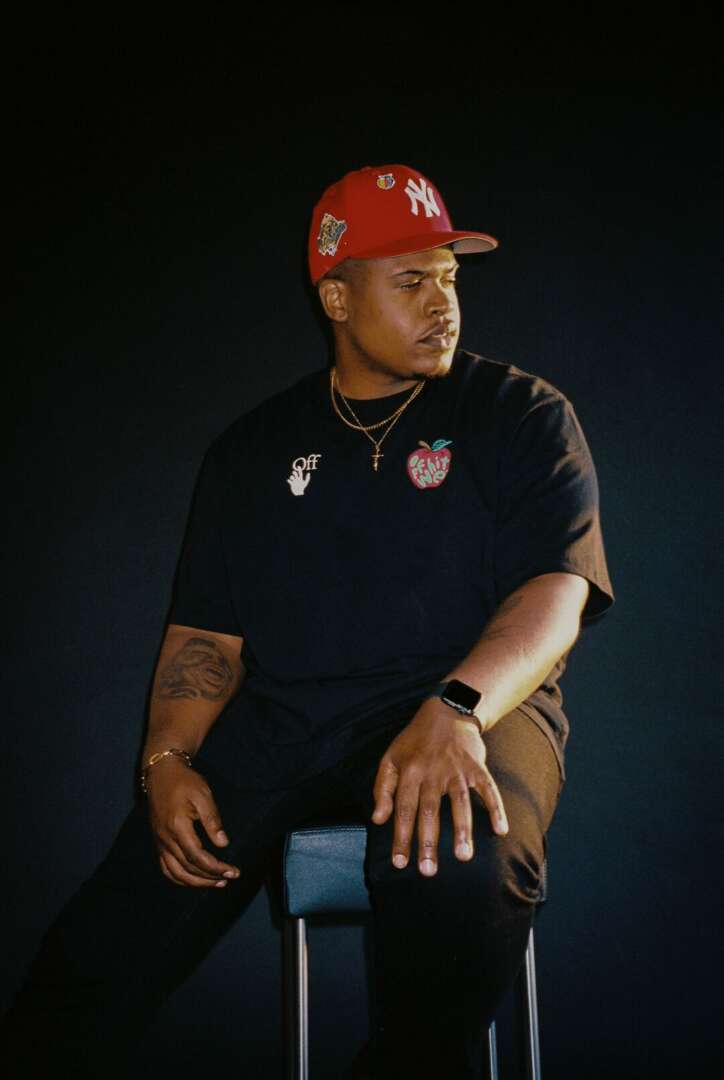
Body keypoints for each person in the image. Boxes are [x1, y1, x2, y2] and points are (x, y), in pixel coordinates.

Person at [0, 163, 615, 1079]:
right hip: (289, 721)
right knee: (99, 951)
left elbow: (555, 592)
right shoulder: (251, 452)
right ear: (336, 296)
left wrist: (457, 708)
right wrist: (165, 761)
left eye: (449, 276)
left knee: (459, 866)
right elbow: (205, 639)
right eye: (411, 280)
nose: (442, 303)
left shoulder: (520, 414)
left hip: (467, 707)